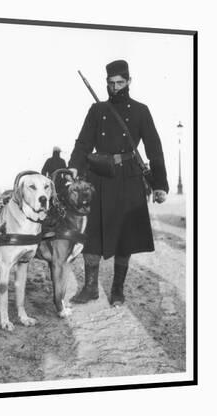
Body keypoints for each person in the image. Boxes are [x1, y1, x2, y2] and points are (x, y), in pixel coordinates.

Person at [68, 59, 168, 306]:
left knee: (126, 236)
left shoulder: (141, 110)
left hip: (128, 179)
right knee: (91, 235)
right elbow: (83, 143)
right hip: (99, 178)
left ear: (129, 81)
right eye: (111, 83)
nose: (115, 88)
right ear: (106, 83)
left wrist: (160, 184)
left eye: (120, 83)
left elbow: (154, 149)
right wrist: (74, 166)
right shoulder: (97, 110)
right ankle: (90, 288)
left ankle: (118, 290)